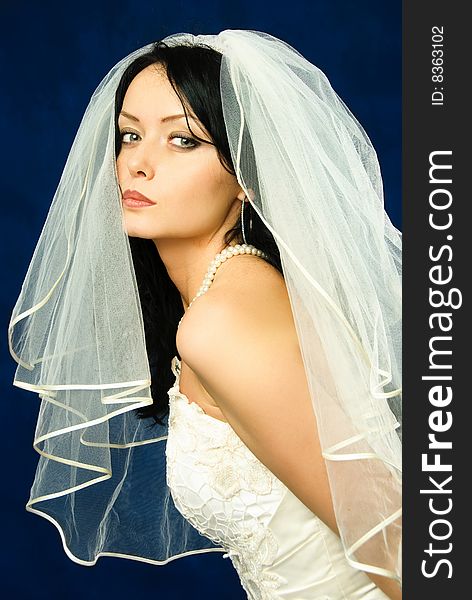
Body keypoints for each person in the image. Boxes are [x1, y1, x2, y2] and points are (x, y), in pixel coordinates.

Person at [9, 30, 402, 599]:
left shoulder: (224, 319)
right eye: (130, 135)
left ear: (244, 175)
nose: (138, 164)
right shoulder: (224, 296)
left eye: (183, 140)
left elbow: (399, 539)